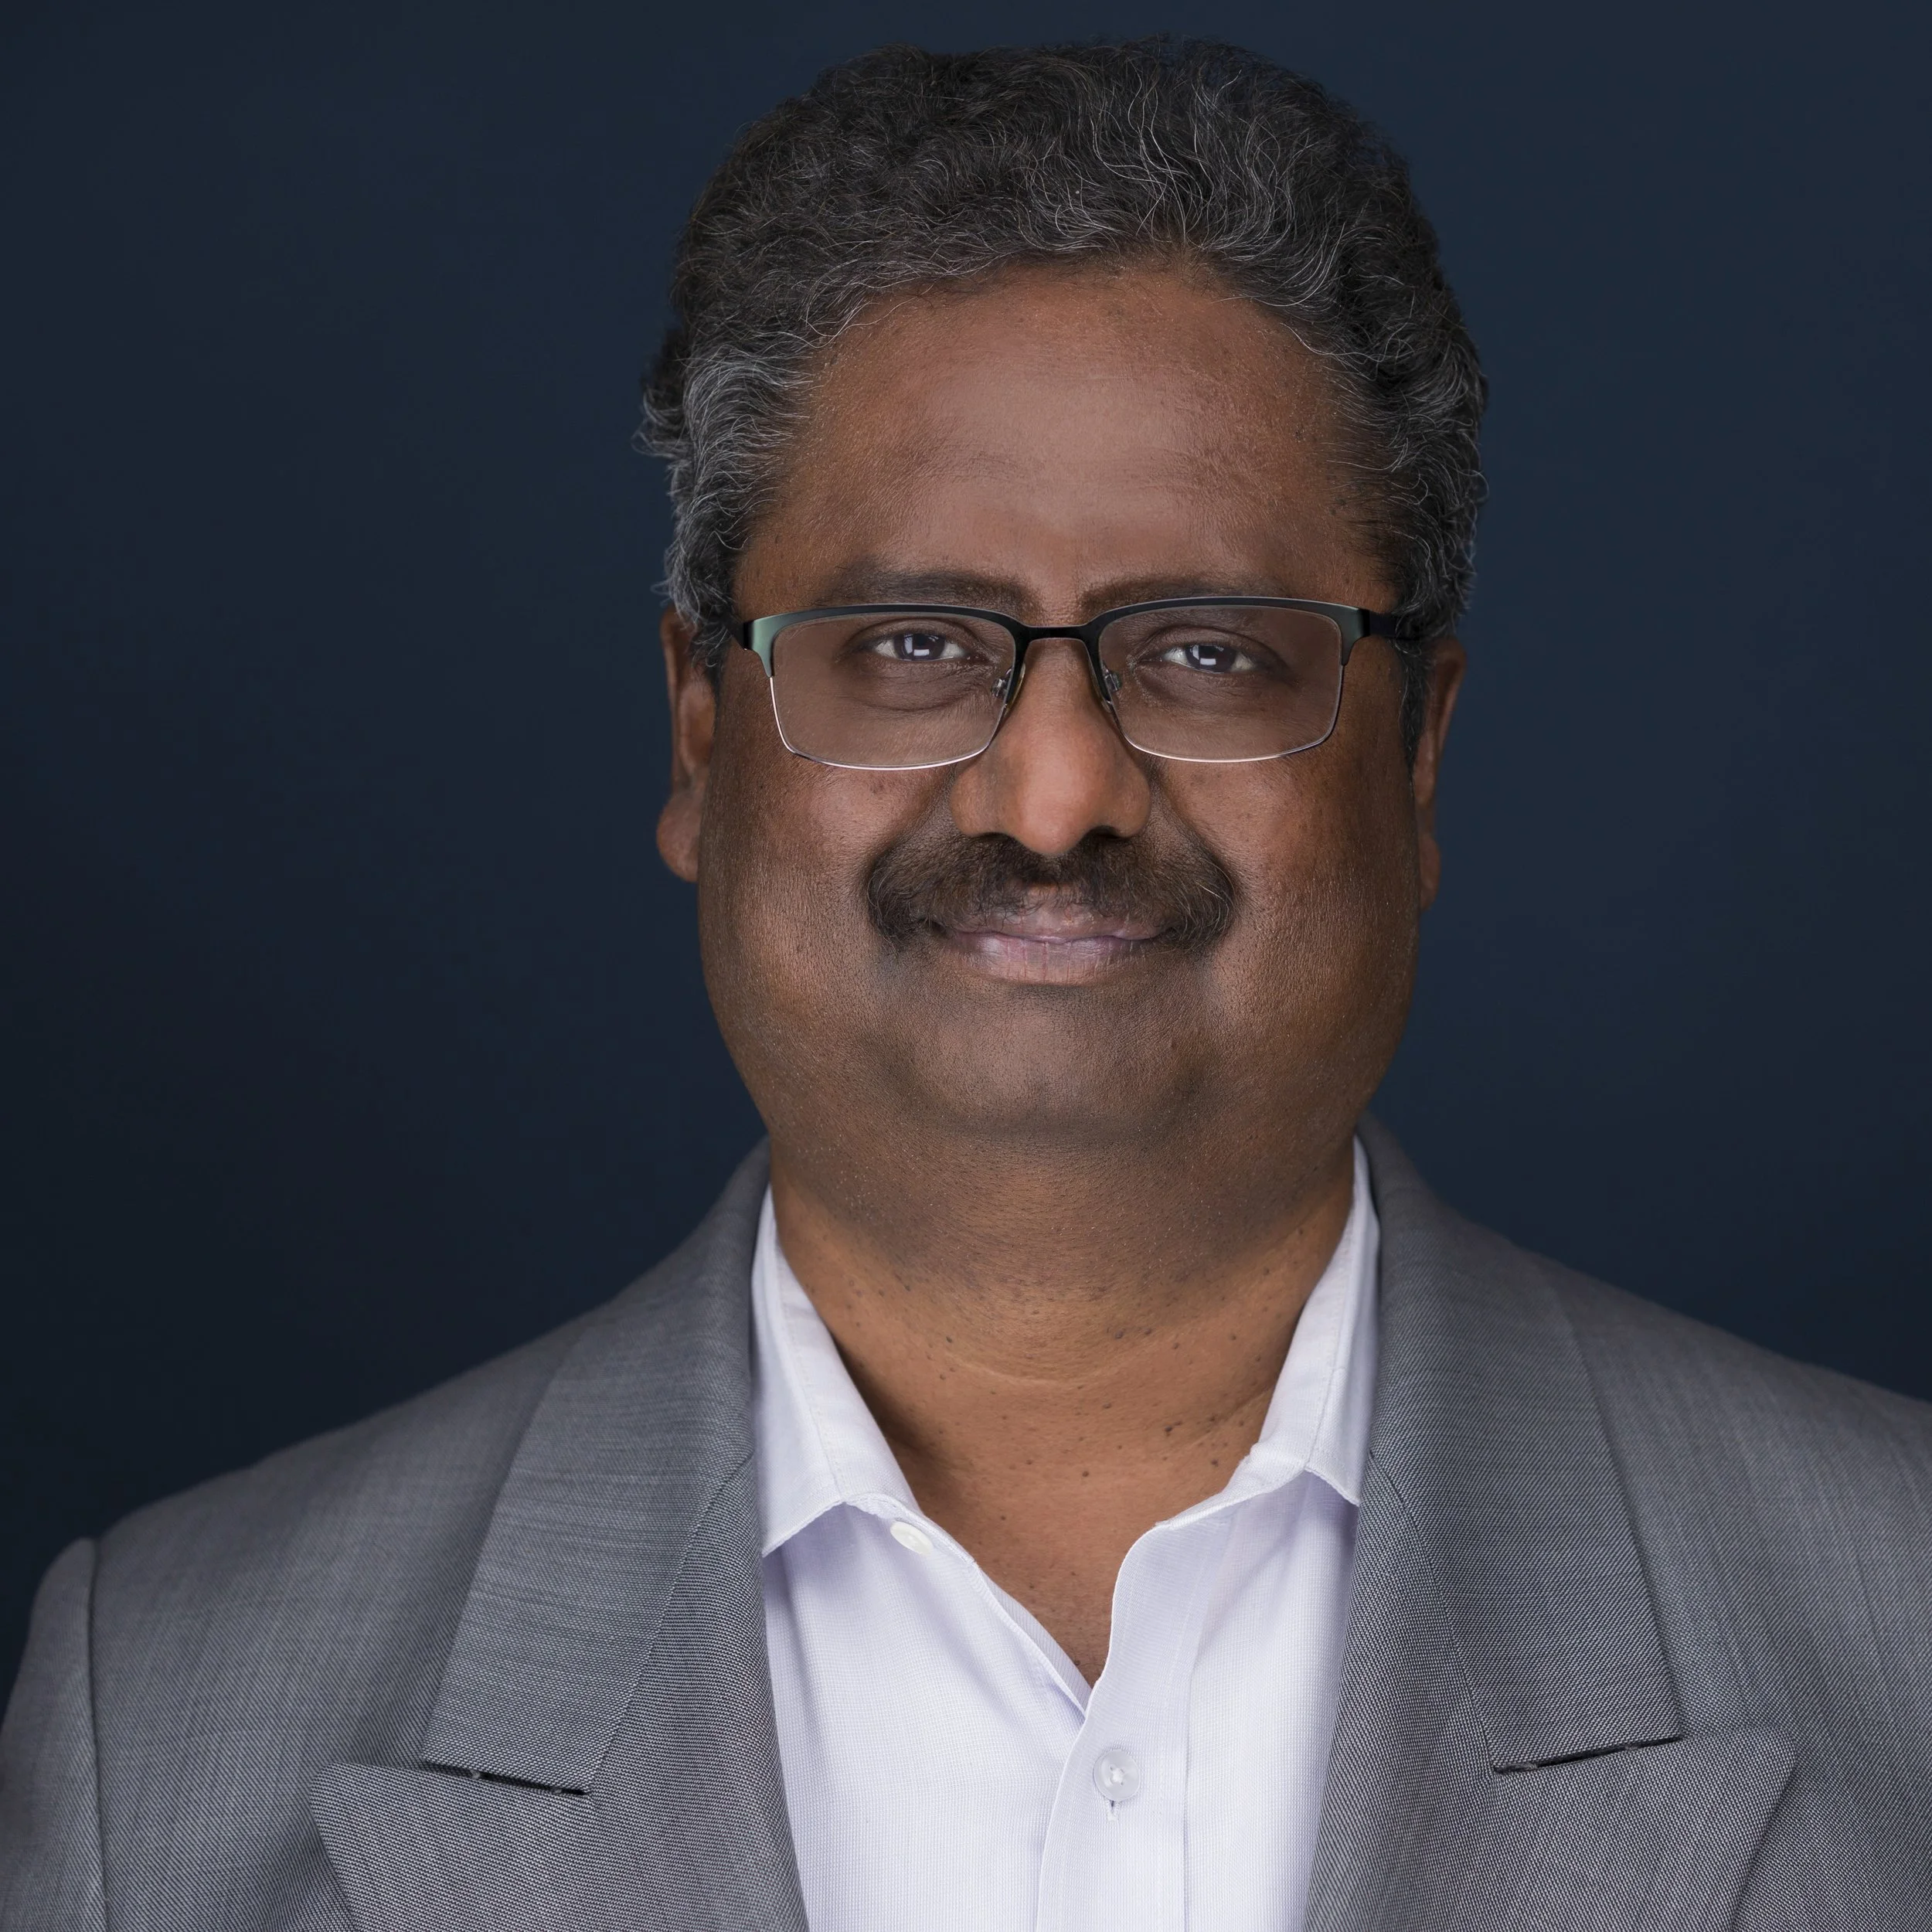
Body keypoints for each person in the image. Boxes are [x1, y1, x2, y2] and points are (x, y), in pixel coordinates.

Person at [3, 37, 1927, 1932]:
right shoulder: (156, 1709)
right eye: (913, 641)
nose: (1059, 792)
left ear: (1412, 751)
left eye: (1211, 652)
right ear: (699, 730)